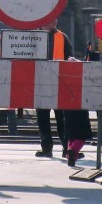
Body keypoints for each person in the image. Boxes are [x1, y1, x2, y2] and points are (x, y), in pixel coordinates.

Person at [35, 18, 72, 158]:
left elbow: (70, 59)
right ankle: (46, 149)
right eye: (52, 20)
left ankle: (66, 149)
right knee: (42, 118)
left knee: (62, 118)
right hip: (40, 82)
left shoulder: (62, 37)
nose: (55, 22)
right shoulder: (32, 37)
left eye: (56, 20)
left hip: (59, 83)